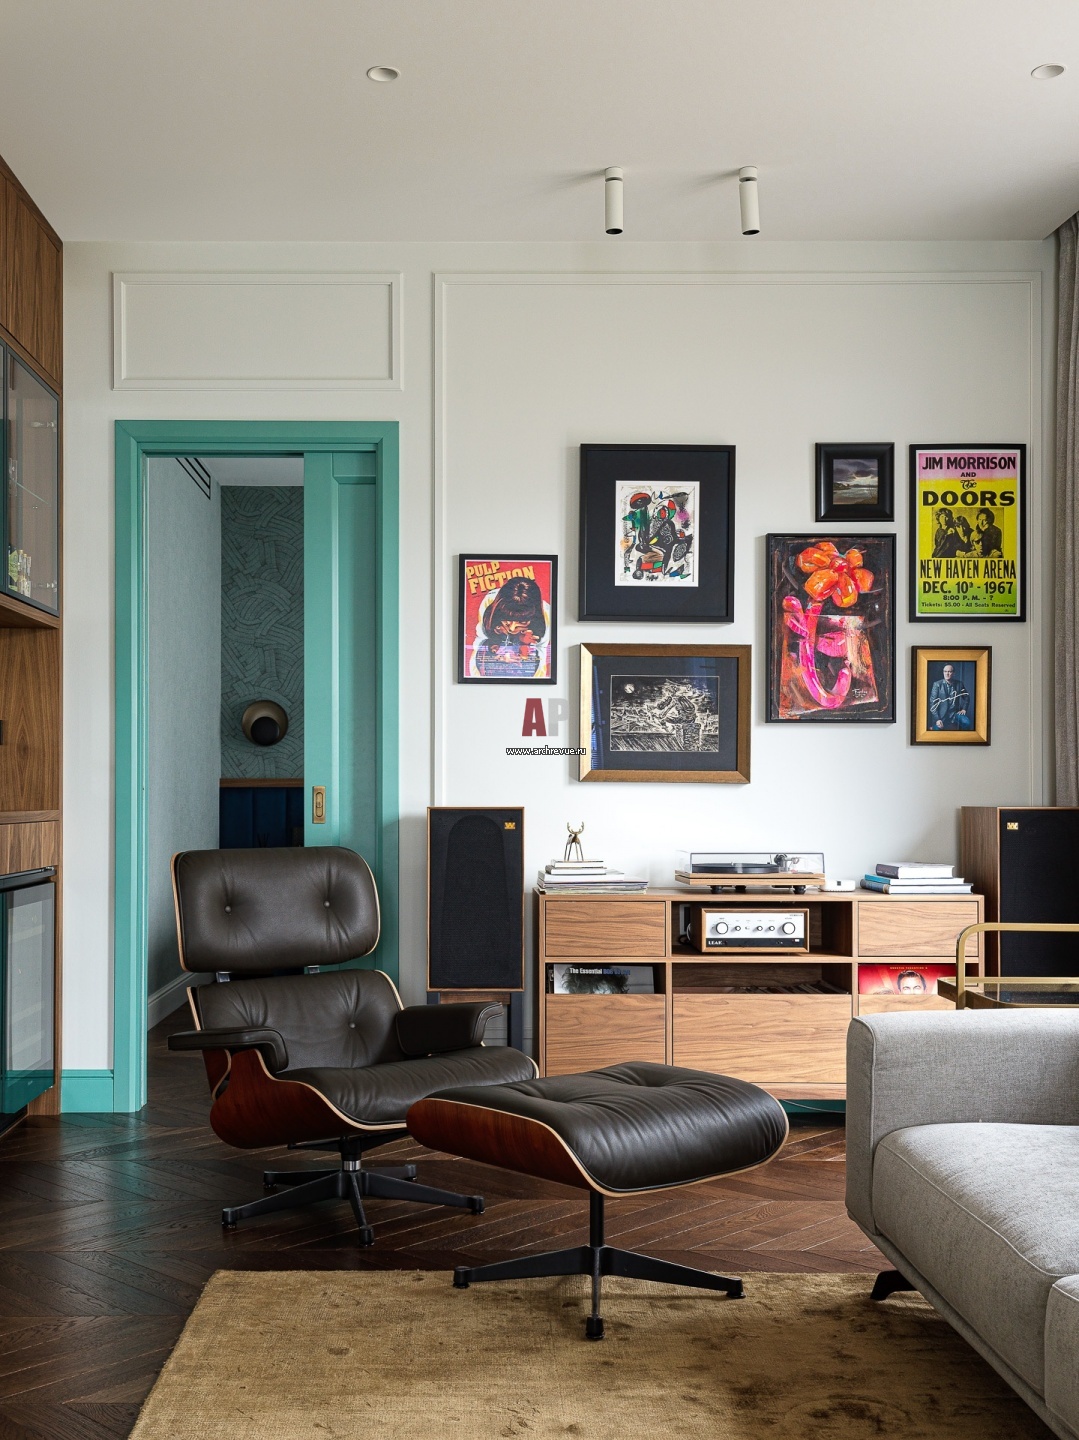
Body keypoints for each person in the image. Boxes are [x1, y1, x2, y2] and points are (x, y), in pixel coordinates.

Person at [928, 662, 972, 730]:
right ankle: (933, 728)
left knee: (967, 723)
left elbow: (967, 697)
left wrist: (964, 709)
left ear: (954, 673)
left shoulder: (959, 684)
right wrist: (937, 719)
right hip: (941, 715)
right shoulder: (937, 684)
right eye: (945, 671)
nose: (947, 674)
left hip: (955, 714)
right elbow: (932, 703)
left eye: (949, 671)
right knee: (937, 730)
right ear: (943, 672)